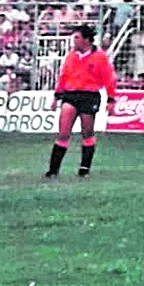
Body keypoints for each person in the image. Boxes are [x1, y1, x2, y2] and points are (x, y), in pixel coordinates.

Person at [46, 25, 118, 179]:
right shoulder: (71, 55)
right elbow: (63, 76)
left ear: (86, 39)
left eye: (77, 37)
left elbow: (109, 79)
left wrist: (111, 99)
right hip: (71, 95)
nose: (74, 41)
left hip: (89, 96)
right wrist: (57, 96)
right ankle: (53, 170)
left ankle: (84, 168)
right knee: (63, 133)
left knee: (87, 132)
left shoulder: (100, 57)